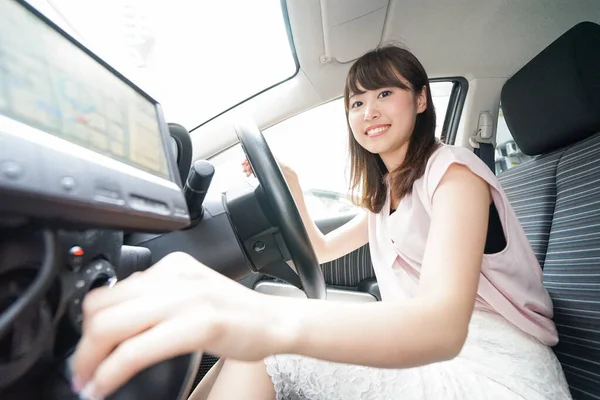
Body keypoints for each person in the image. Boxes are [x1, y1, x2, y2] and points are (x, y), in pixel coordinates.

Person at [70, 46, 572, 400]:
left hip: (495, 375)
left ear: (421, 100)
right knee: (249, 334)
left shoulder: (456, 175)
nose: (368, 111)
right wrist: (289, 188)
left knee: (267, 340)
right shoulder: (387, 196)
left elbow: (442, 327)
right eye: (356, 101)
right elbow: (322, 251)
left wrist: (257, 318)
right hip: (441, 358)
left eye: (384, 94)